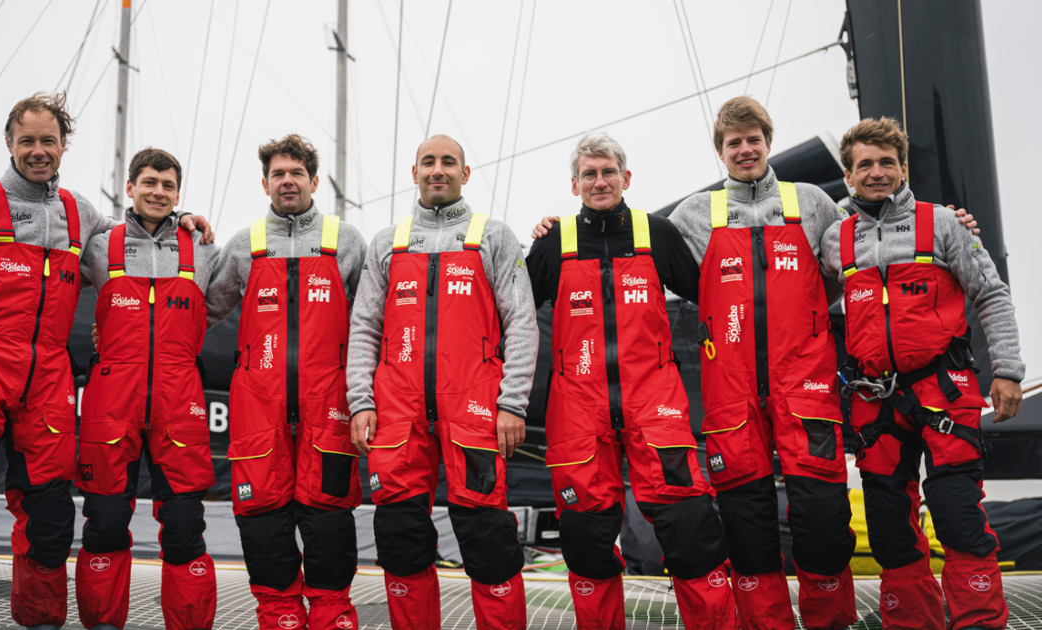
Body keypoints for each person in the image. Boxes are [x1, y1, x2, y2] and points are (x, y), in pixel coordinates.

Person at [0, 93, 210, 630]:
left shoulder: (81, 213)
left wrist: (179, 217)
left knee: (49, 519)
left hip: (48, 379)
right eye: (27, 140)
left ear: (63, 145)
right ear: (9, 143)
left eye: (48, 140)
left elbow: (135, 234)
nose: (38, 151)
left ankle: (41, 620)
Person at [525, 132, 738, 630]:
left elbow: (714, 295)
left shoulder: (656, 234)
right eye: (589, 174)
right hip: (578, 411)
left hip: (655, 406)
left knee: (690, 528)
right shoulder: (553, 242)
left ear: (626, 177)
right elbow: (508, 314)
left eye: (608, 172)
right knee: (585, 539)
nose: (599, 181)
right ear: (574, 184)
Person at [821, 117, 1023, 630]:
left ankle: (979, 623)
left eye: (887, 162)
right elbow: (806, 304)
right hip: (875, 400)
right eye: (865, 164)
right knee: (889, 530)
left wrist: (1008, 371)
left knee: (957, 517)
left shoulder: (944, 224)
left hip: (944, 391)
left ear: (904, 167)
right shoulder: (834, 240)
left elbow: (992, 295)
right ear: (848, 175)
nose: (877, 172)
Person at [347, 134, 538, 630]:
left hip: (475, 412)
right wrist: (360, 402)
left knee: (488, 538)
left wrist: (513, 403)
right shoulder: (387, 242)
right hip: (397, 415)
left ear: (464, 173)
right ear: (414, 173)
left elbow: (522, 322)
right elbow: (363, 327)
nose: (438, 170)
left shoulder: (493, 236)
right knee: (400, 538)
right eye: (428, 162)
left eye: (448, 162)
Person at [205, 134, 367, 630]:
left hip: (330, 408)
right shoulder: (245, 244)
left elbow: (373, 320)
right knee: (263, 522)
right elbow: (199, 311)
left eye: (297, 173)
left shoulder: (346, 241)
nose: (288, 181)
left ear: (314, 181)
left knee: (329, 520)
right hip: (259, 409)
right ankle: (279, 618)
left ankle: (332, 617)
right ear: (265, 184)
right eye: (278, 173)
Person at [75, 148, 218, 630]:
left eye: (168, 185)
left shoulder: (202, 248)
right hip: (111, 403)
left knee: (184, 529)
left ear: (178, 194)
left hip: (180, 403)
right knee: (104, 525)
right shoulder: (100, 246)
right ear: (130, 187)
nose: (159, 192)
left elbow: (214, 308)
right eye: (150, 182)